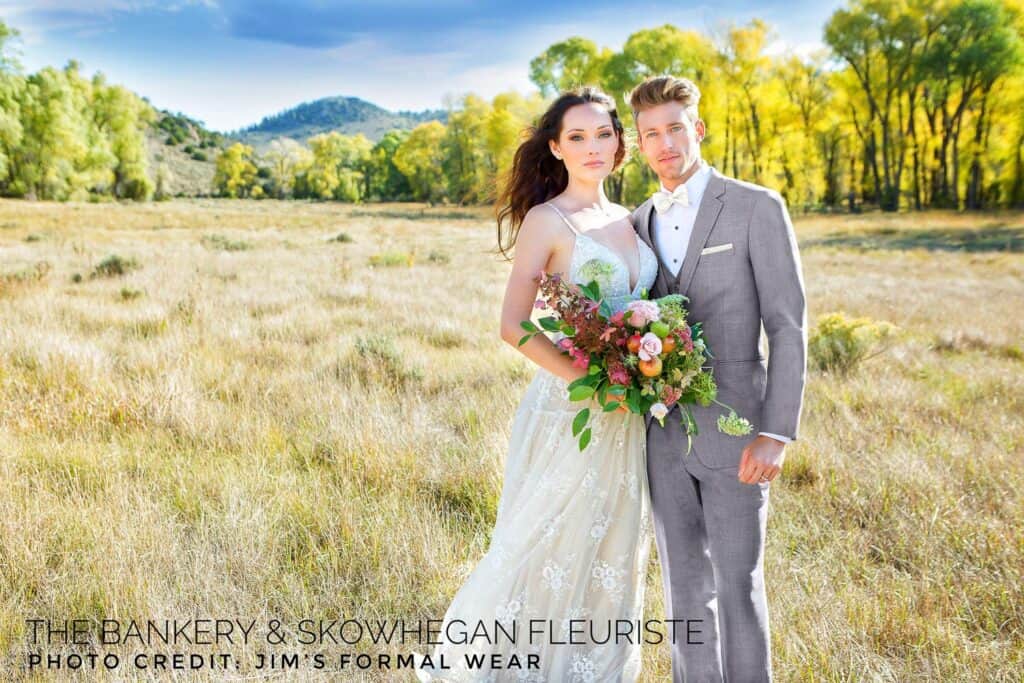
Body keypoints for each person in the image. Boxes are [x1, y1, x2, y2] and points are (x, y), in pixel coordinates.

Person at [414, 87, 658, 681]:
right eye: (576, 136)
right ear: (556, 147)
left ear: (620, 144)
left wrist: (654, 365)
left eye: (603, 133)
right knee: (545, 539)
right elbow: (512, 324)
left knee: (612, 548)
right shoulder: (547, 221)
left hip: (631, 415)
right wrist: (591, 383)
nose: (592, 147)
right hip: (572, 408)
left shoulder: (634, 219)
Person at [628, 75, 808, 682]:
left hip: (739, 432)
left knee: (737, 581)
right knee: (683, 590)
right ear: (640, 144)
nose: (664, 143)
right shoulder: (637, 221)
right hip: (661, 436)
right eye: (650, 134)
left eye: (674, 128)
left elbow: (787, 327)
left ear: (696, 129)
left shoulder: (757, 206)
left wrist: (776, 433)